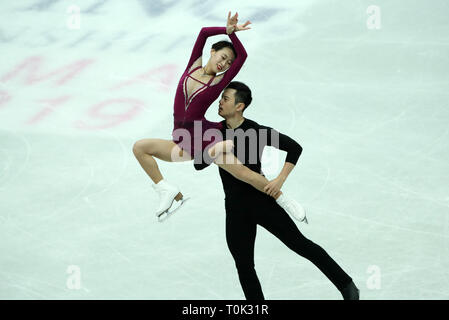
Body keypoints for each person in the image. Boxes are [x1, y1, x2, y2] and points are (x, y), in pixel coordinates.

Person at [133, 12, 305, 221]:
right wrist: (226, 29)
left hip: (204, 137)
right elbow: (204, 33)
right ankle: (166, 190)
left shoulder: (218, 82)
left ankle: (284, 200)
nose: (224, 63)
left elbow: (243, 57)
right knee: (140, 147)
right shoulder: (193, 66)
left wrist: (234, 36)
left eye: (228, 62)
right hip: (181, 138)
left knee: (243, 173)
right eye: (223, 57)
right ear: (212, 52)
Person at [196, 81, 360, 300]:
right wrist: (215, 149)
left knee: (300, 244)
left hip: (261, 201)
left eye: (225, 98)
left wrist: (280, 179)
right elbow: (198, 163)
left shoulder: (256, 131)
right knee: (244, 265)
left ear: (239, 106)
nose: (220, 102)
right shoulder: (215, 132)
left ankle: (347, 286)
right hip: (235, 208)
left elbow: (294, 148)